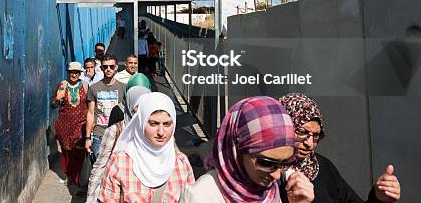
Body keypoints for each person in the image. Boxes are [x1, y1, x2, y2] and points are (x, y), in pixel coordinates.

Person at [180, 96, 314, 203]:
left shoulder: (272, 188)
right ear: (237, 149)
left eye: (285, 163)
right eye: (266, 163)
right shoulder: (201, 196)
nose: (277, 175)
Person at [278, 93, 401, 203]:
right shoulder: (265, 170)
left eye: (316, 135)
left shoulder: (321, 167)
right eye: (302, 132)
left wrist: (378, 198)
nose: (309, 143)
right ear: (284, 127)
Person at [100, 92, 195, 202]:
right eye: (153, 123)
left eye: (167, 124)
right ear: (140, 123)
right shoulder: (120, 162)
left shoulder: (181, 164)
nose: (161, 132)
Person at [86, 84, 152, 203]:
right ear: (130, 105)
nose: (141, 109)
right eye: (137, 105)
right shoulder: (115, 130)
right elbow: (99, 166)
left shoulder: (155, 131)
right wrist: (91, 198)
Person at [51, 61, 89, 186]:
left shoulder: (85, 85)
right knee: (67, 152)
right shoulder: (62, 85)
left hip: (81, 124)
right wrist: (57, 98)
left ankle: (78, 178)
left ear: (80, 74)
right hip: (65, 125)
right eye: (72, 72)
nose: (74, 75)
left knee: (79, 151)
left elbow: (90, 104)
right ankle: (69, 175)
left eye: (77, 72)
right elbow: (54, 105)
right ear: (68, 73)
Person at [85, 54, 127, 159]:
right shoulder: (93, 88)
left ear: (116, 67)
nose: (108, 69)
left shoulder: (123, 87)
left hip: (119, 136)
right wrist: (87, 138)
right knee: (98, 170)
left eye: (111, 66)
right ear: (101, 68)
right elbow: (90, 113)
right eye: (105, 67)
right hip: (99, 135)